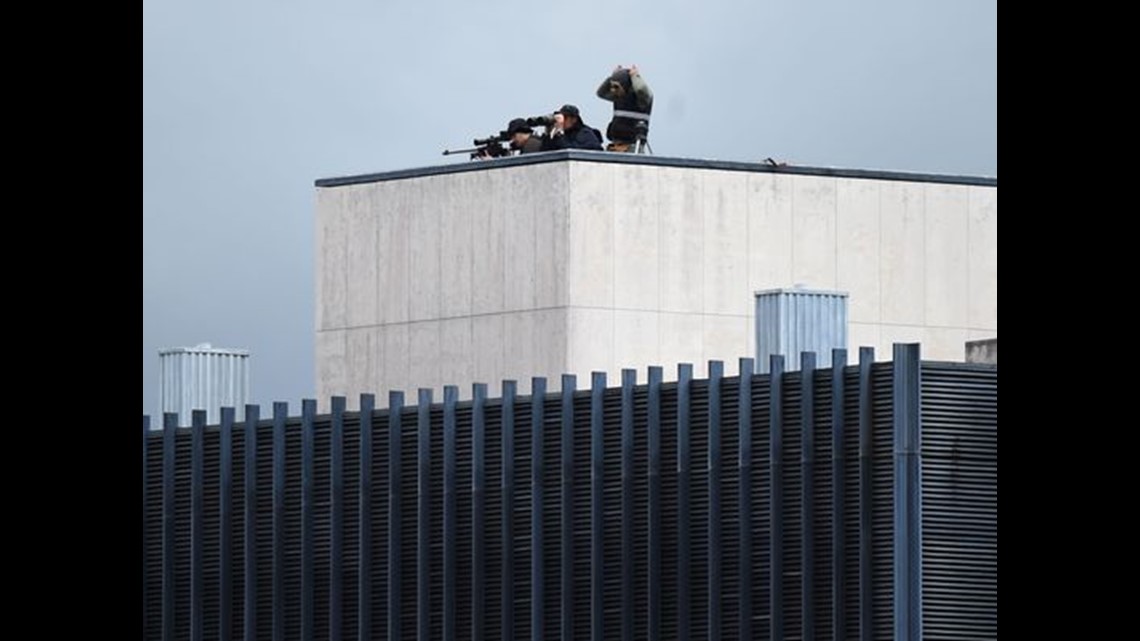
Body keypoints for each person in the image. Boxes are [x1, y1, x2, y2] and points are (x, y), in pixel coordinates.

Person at [596, 64, 653, 152]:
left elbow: (640, 89)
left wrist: (635, 76)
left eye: (616, 87)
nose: (612, 90)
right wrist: (612, 77)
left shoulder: (642, 99)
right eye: (612, 87)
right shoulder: (619, 96)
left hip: (632, 147)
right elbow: (600, 93)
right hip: (615, 146)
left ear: (625, 85)